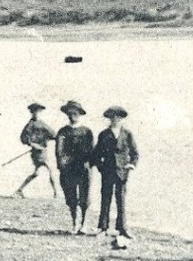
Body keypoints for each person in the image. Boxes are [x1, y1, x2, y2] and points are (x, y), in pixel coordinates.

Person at [93, 106, 139, 238]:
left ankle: (122, 228)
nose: (115, 120)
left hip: (122, 171)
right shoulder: (104, 134)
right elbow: (97, 154)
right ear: (109, 119)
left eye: (118, 117)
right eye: (112, 117)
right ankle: (103, 227)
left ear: (122, 119)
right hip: (107, 170)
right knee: (106, 198)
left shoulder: (127, 134)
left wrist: (132, 165)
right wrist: (101, 167)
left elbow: (135, 153)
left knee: (121, 199)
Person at [54, 100, 95, 234]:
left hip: (83, 168)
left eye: (75, 113)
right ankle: (74, 224)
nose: (72, 116)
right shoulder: (63, 131)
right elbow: (59, 151)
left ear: (79, 114)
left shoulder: (87, 132)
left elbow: (91, 150)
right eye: (70, 114)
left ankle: (83, 224)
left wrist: (89, 162)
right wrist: (63, 164)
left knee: (85, 197)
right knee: (71, 197)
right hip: (68, 168)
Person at [15, 103, 58, 198]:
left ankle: (19, 190)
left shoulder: (43, 124)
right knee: (49, 169)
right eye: (34, 112)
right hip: (36, 152)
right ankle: (56, 193)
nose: (36, 114)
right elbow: (23, 138)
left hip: (43, 150)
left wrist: (50, 138)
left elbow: (53, 135)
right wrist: (32, 144)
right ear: (32, 113)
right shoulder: (30, 125)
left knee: (37, 173)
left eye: (38, 112)